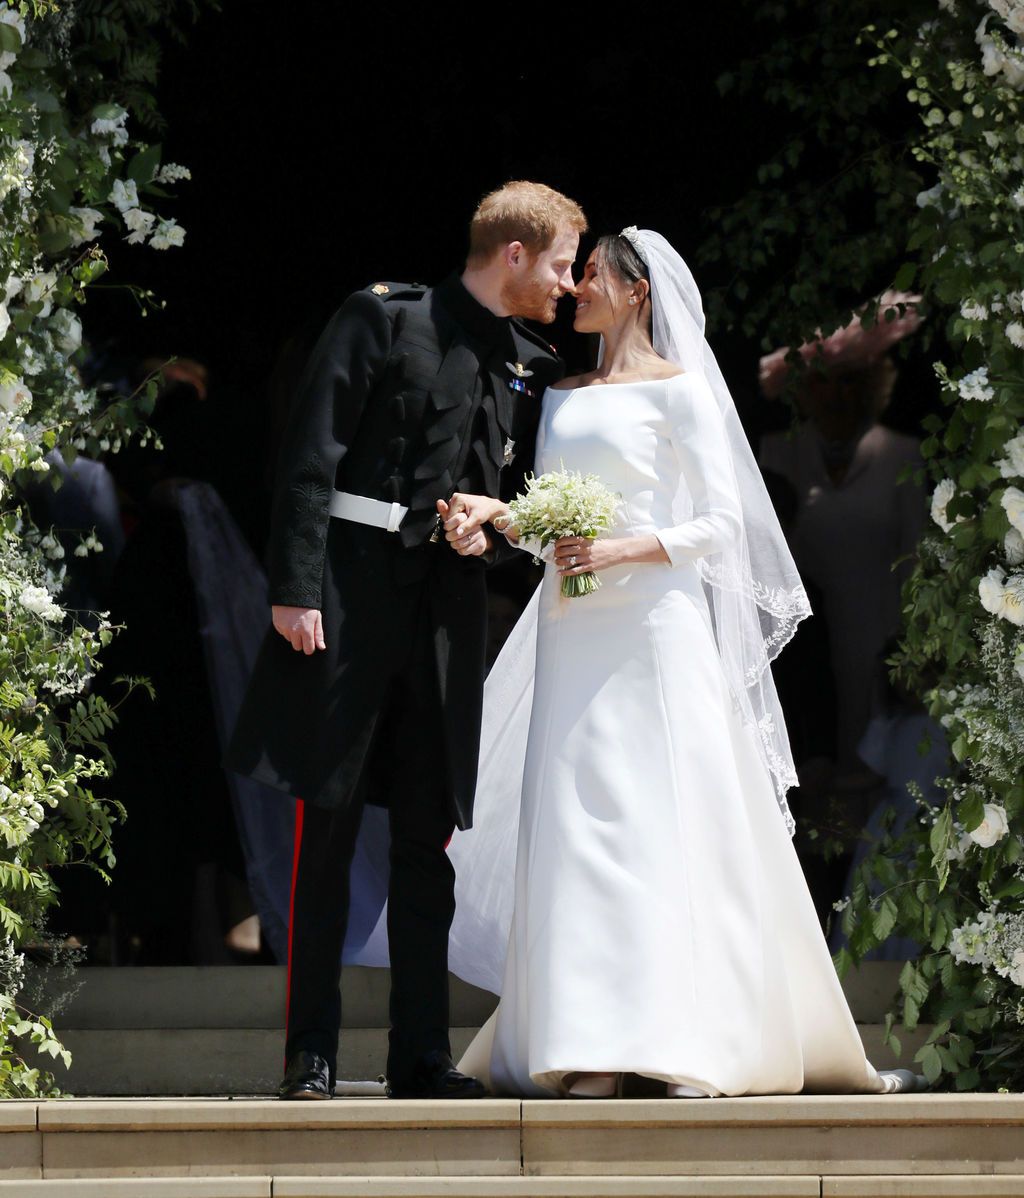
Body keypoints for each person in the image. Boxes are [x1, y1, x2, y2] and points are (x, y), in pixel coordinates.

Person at [439, 228, 923, 1098]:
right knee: (578, 822)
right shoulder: (558, 393)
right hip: (571, 627)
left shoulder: (682, 394)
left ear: (637, 293)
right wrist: (503, 517)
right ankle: (583, 1040)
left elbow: (723, 525)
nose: (577, 286)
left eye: (592, 275)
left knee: (658, 818)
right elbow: (550, 514)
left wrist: (624, 547)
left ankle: (675, 1034)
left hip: (653, 628)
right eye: (577, 273)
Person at [226, 181, 587, 1099]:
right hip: (347, 605)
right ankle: (310, 1054)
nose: (570, 284)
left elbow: (516, 491)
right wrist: (295, 590)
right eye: (559, 263)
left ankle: (420, 1057)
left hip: (447, 618)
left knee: (431, 840)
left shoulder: (525, 360)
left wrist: (491, 526)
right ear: (514, 253)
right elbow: (311, 452)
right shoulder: (384, 319)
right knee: (330, 835)